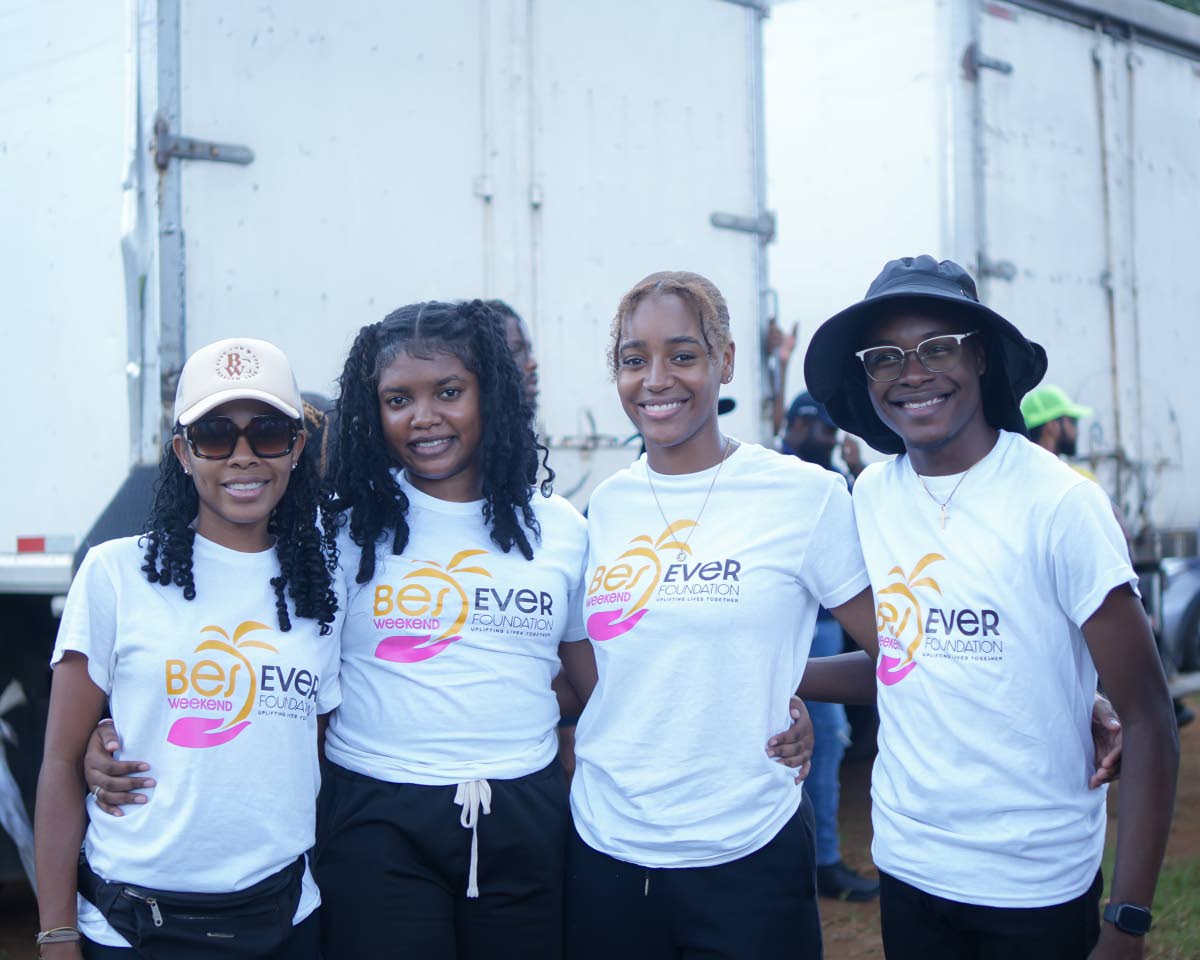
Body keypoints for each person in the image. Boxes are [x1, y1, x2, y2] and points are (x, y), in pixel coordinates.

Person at [803, 255, 1178, 960]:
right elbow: (906, 658)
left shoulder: (1059, 504)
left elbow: (1151, 718)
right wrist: (772, 672)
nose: (912, 373)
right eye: (886, 357)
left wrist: (1126, 921)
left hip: (1034, 881)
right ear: (867, 378)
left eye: (937, 347)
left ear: (979, 357)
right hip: (910, 866)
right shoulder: (873, 498)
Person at [562, 270, 877, 959]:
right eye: (633, 359)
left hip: (747, 849)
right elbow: (590, 657)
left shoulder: (804, 496)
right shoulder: (605, 508)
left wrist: (783, 685)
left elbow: (901, 657)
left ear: (725, 361)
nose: (656, 380)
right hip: (608, 848)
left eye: (682, 355)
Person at [34, 337, 341, 959]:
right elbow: (61, 763)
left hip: (286, 921)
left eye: (268, 433)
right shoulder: (114, 573)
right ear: (182, 450)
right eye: (215, 435)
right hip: (135, 929)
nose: (244, 456)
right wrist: (57, 933)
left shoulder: (325, 587)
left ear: (297, 448)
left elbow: (323, 744)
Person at [781, 391, 878, 902]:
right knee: (787, 740)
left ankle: (824, 858)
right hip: (784, 626)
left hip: (828, 623)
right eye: (822, 431)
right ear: (797, 426)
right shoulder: (771, 476)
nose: (830, 442)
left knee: (829, 738)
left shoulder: (836, 481)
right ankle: (809, 859)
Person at [1021, 384, 1091, 460]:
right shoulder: (1067, 471)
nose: (1077, 431)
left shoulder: (1017, 467)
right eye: (1073, 421)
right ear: (1051, 425)